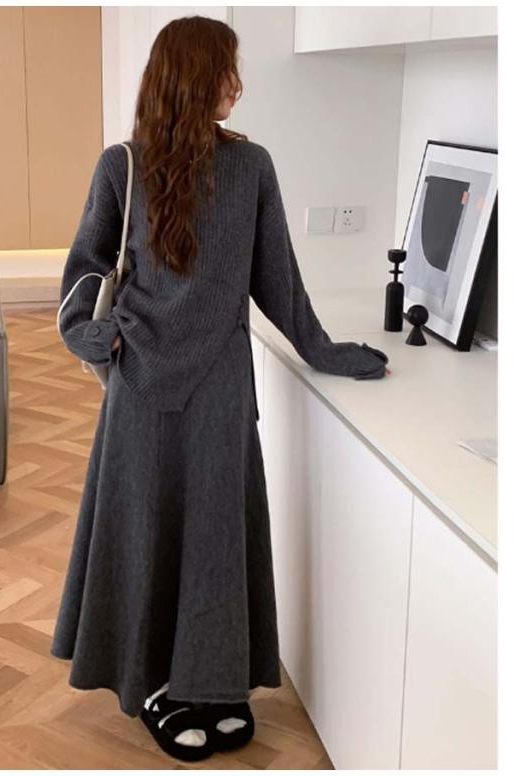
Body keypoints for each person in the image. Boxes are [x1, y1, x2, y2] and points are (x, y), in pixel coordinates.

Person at [50, 15, 390, 763]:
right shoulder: (122, 166)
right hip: (140, 387)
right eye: (227, 70)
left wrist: (326, 351)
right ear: (193, 77)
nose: (238, 84)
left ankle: (211, 683)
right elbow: (85, 265)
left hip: (219, 389)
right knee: (148, 531)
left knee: (215, 539)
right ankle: (154, 685)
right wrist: (94, 336)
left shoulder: (252, 166)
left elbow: (278, 281)